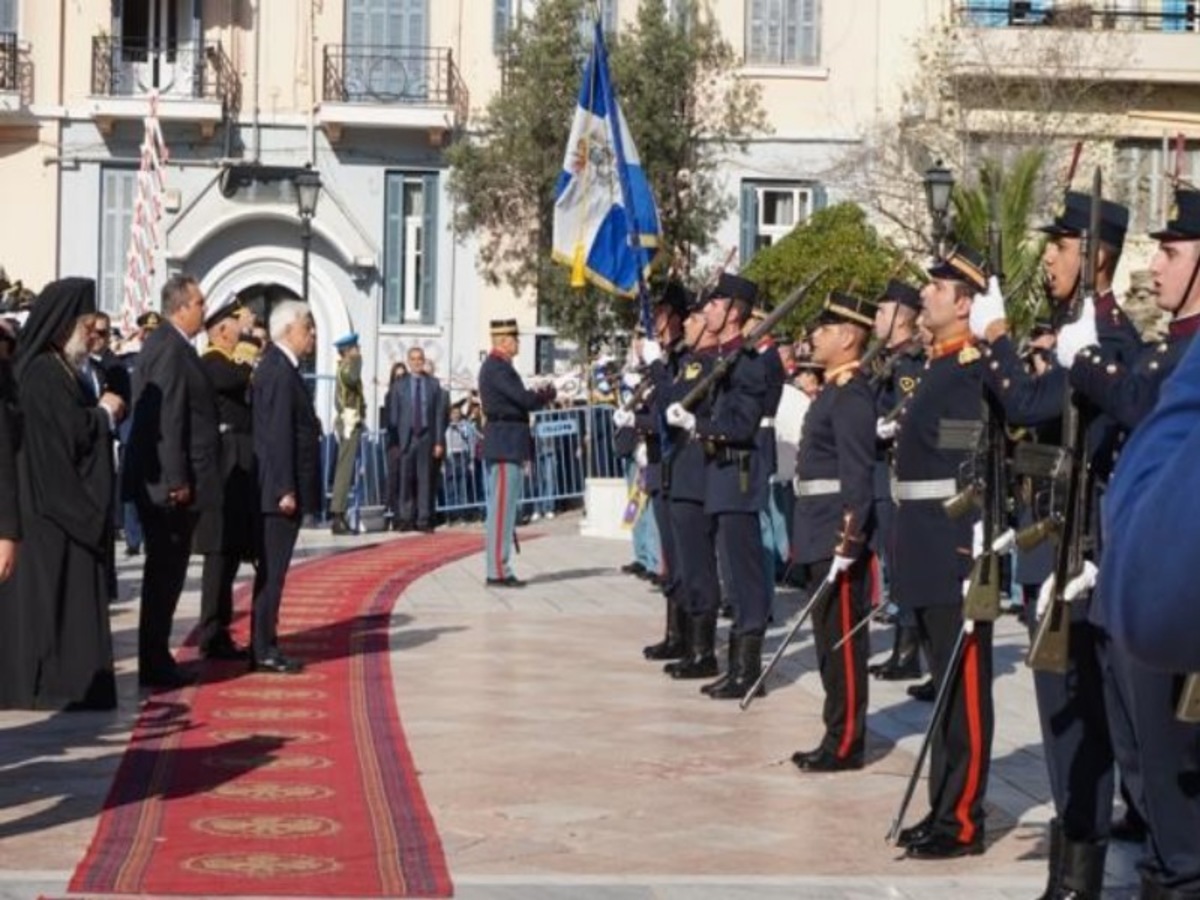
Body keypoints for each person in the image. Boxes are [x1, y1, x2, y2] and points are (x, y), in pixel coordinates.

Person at [969, 190, 1142, 896]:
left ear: (1094, 256)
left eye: (1061, 246)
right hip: (1053, 551)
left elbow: (1031, 406)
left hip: (1087, 562)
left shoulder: (1113, 344)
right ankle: (1068, 876)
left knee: (1085, 729)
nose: (1046, 258)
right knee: (1061, 724)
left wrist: (999, 342)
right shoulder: (1072, 336)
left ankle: (1082, 881)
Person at [1088, 187, 1200, 899]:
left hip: (1163, 599)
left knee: (1174, 795)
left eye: (1172, 251)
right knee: (1149, 771)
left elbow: (1140, 410)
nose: (1156, 266)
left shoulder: (1184, 360)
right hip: (1137, 584)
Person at [889, 245, 991, 859]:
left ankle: (964, 820)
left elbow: (966, 463)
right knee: (944, 688)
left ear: (966, 304)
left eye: (938, 288)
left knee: (965, 690)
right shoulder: (936, 366)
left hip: (948, 540)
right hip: (921, 537)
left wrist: (967, 542)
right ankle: (941, 806)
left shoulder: (967, 369)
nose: (925, 294)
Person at [2, 278, 125, 709]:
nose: (93, 333)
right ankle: (51, 685)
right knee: (47, 607)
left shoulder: (59, 368)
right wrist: (103, 416)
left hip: (56, 507)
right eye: (86, 324)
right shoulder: (41, 374)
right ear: (62, 324)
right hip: (49, 512)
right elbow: (64, 439)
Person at [667, 273, 770, 700]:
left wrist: (698, 424)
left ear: (732, 312)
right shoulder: (725, 358)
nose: (705, 310)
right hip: (720, 476)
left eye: (713, 304)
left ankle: (749, 670)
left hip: (739, 474)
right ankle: (736, 667)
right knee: (731, 571)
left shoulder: (747, 362)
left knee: (743, 579)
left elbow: (741, 424)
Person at [789, 292, 878, 772]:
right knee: (827, 642)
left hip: (835, 535)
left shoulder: (851, 395)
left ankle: (845, 741)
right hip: (817, 526)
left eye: (823, 330)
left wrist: (850, 539)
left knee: (842, 643)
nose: (814, 337)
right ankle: (835, 731)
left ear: (847, 338)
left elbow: (858, 476)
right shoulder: (834, 390)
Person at [125, 274, 221, 690]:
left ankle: (158, 657)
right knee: (163, 575)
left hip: (173, 483)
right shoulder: (168, 348)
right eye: (199, 302)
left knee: (169, 574)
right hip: (168, 488)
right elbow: (167, 418)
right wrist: (176, 479)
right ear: (180, 307)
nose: (205, 308)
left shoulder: (175, 346)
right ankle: (155, 662)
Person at [250, 301, 321, 673]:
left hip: (281, 487)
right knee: (272, 573)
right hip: (277, 491)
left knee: (274, 572)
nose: (312, 334)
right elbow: (276, 435)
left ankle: (265, 641)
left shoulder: (284, 368)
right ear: (289, 329)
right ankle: (263, 647)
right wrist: (284, 488)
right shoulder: (278, 370)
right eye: (307, 327)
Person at [868, 279, 926, 682]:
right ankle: (902, 648)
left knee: (904, 562)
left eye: (881, 311)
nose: (876, 318)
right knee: (892, 558)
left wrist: (890, 428)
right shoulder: (883, 360)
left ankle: (908, 652)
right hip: (880, 472)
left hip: (898, 473)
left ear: (900, 319)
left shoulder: (909, 364)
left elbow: (908, 413)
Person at [194, 296, 257, 661]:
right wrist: (249, 338)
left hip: (239, 460)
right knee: (218, 556)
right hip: (224, 463)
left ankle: (220, 629)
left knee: (230, 553)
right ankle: (211, 631)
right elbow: (236, 378)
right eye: (236, 325)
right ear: (220, 330)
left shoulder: (228, 359)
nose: (242, 331)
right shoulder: (212, 361)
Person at [478, 319, 555, 587]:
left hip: (506, 441)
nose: (518, 343)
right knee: (502, 511)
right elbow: (521, 399)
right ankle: (498, 570)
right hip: (504, 442)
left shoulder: (500, 367)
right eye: (515, 338)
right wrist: (544, 395)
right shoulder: (498, 368)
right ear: (503, 341)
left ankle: (499, 566)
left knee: (504, 509)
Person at [387, 345, 446, 532]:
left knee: (425, 479)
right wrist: (396, 441)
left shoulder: (434, 385)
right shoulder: (399, 385)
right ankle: (405, 518)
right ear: (408, 361)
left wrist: (438, 442)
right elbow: (393, 416)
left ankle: (424, 519)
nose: (417, 362)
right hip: (407, 437)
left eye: (420, 359)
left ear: (424, 360)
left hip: (427, 437)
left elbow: (438, 415)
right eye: (413, 359)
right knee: (405, 479)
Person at [329, 331, 365, 535]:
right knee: (344, 471)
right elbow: (352, 379)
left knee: (348, 470)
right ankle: (338, 515)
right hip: (349, 420)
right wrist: (357, 360)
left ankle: (339, 514)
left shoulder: (344, 368)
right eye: (355, 349)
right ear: (348, 351)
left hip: (351, 418)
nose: (358, 351)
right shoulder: (346, 369)